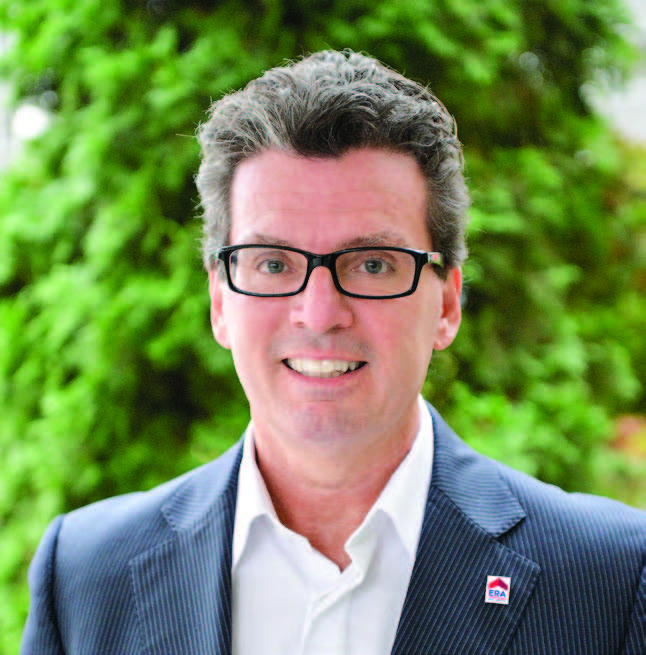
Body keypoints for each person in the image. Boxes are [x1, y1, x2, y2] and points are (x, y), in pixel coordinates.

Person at [21, 50, 646, 655]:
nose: (319, 314)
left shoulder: (609, 581)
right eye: (272, 263)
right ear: (219, 301)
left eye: (372, 264)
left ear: (448, 304)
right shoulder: (84, 577)